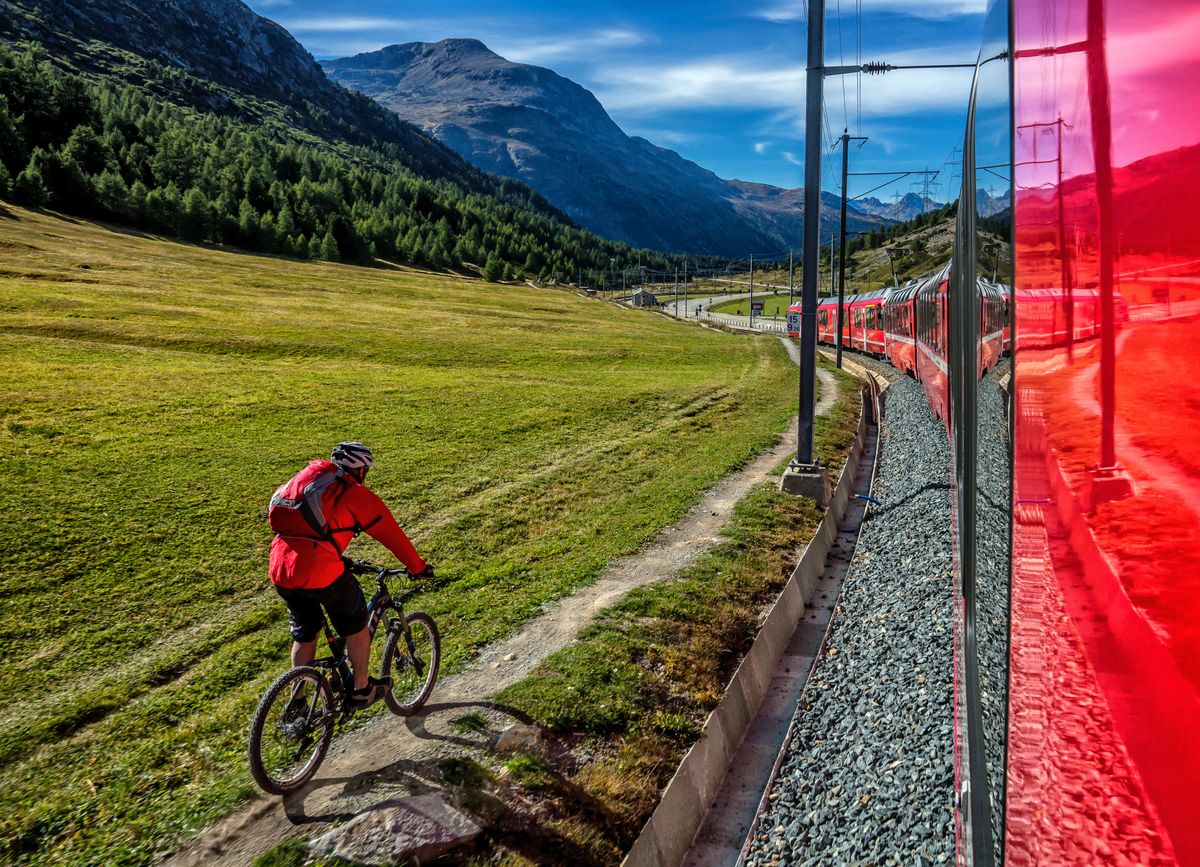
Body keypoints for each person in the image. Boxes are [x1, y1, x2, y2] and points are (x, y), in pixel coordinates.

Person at [269, 441, 432, 709]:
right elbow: (393, 536)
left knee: (305, 635)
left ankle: (297, 701)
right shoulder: (354, 494)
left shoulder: (307, 482)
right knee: (356, 627)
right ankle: (361, 690)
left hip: (281, 567)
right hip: (319, 570)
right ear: (360, 470)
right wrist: (418, 567)